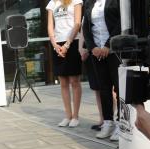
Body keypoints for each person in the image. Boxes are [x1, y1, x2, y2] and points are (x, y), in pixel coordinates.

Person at [82, 0, 121, 140]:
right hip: (96, 52)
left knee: (118, 88)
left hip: (114, 50)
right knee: (104, 89)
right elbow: (85, 27)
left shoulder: (115, 1)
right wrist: (92, 48)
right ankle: (108, 122)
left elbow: (120, 23)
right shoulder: (88, 3)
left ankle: (120, 124)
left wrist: (107, 45)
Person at [47, 0, 83, 128]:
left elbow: (77, 23)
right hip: (57, 44)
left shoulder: (76, 1)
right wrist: (55, 44)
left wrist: (67, 44)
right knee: (63, 82)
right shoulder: (52, 3)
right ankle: (68, 115)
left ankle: (75, 116)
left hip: (73, 42)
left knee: (74, 81)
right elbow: (50, 26)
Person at [78, 24, 103, 130]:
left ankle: (114, 118)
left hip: (104, 48)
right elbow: (83, 31)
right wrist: (80, 48)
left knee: (109, 88)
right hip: (90, 50)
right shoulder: (87, 10)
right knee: (97, 88)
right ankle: (103, 119)